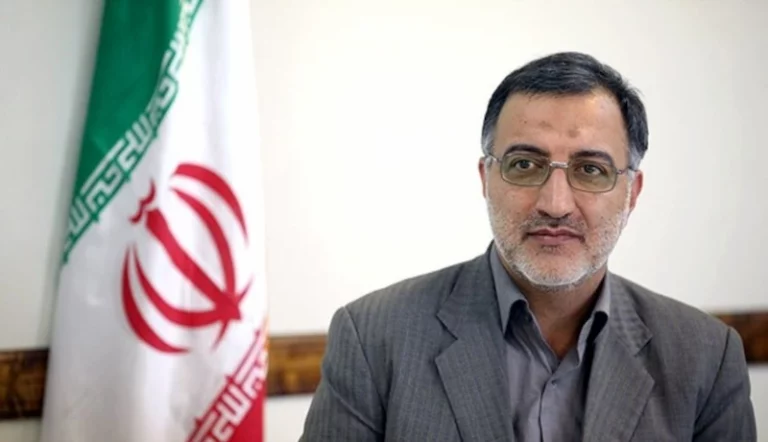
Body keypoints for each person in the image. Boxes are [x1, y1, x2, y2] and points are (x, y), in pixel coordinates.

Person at [299, 52, 757, 442]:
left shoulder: (705, 357)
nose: (555, 204)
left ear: (631, 194)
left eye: (590, 170)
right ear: (486, 179)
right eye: (524, 165)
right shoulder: (374, 338)